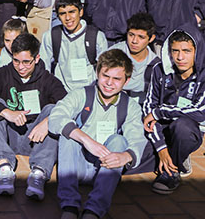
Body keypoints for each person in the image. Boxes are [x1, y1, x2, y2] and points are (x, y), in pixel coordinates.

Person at [49, 49, 147, 219]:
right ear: (97, 73)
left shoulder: (130, 106)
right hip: (76, 165)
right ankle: (69, 207)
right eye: (105, 76)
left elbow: (137, 137)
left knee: (119, 141)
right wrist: (86, 139)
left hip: (105, 168)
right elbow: (56, 117)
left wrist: (127, 156)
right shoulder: (82, 94)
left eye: (117, 79)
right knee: (69, 134)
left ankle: (93, 211)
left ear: (127, 80)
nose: (109, 83)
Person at [0, 33, 67, 199]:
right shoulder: (2, 74)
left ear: (36, 59)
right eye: (16, 61)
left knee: (53, 110)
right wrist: (6, 112)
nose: (20, 67)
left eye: (26, 62)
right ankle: (4, 167)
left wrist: (47, 122)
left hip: (36, 140)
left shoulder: (48, 79)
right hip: (10, 137)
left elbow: (67, 104)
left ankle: (39, 173)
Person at [143, 25, 205, 194]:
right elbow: (149, 108)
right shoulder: (159, 70)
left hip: (187, 130)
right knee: (137, 158)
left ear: (197, 51)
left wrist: (159, 112)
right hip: (161, 129)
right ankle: (171, 154)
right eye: (175, 51)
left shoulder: (203, 75)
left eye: (186, 51)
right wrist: (161, 148)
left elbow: (201, 110)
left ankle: (171, 171)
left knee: (182, 127)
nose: (179, 57)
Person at [40, 0, 107, 92]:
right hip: (61, 92)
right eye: (62, 13)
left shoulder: (96, 36)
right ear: (58, 16)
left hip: (89, 91)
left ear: (80, 12)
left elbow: (105, 69)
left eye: (72, 12)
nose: (68, 18)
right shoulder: (51, 36)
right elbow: (44, 68)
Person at [108, 12, 159, 104]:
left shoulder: (155, 64)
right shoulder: (113, 54)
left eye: (141, 37)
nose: (134, 41)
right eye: (131, 35)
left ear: (151, 39)